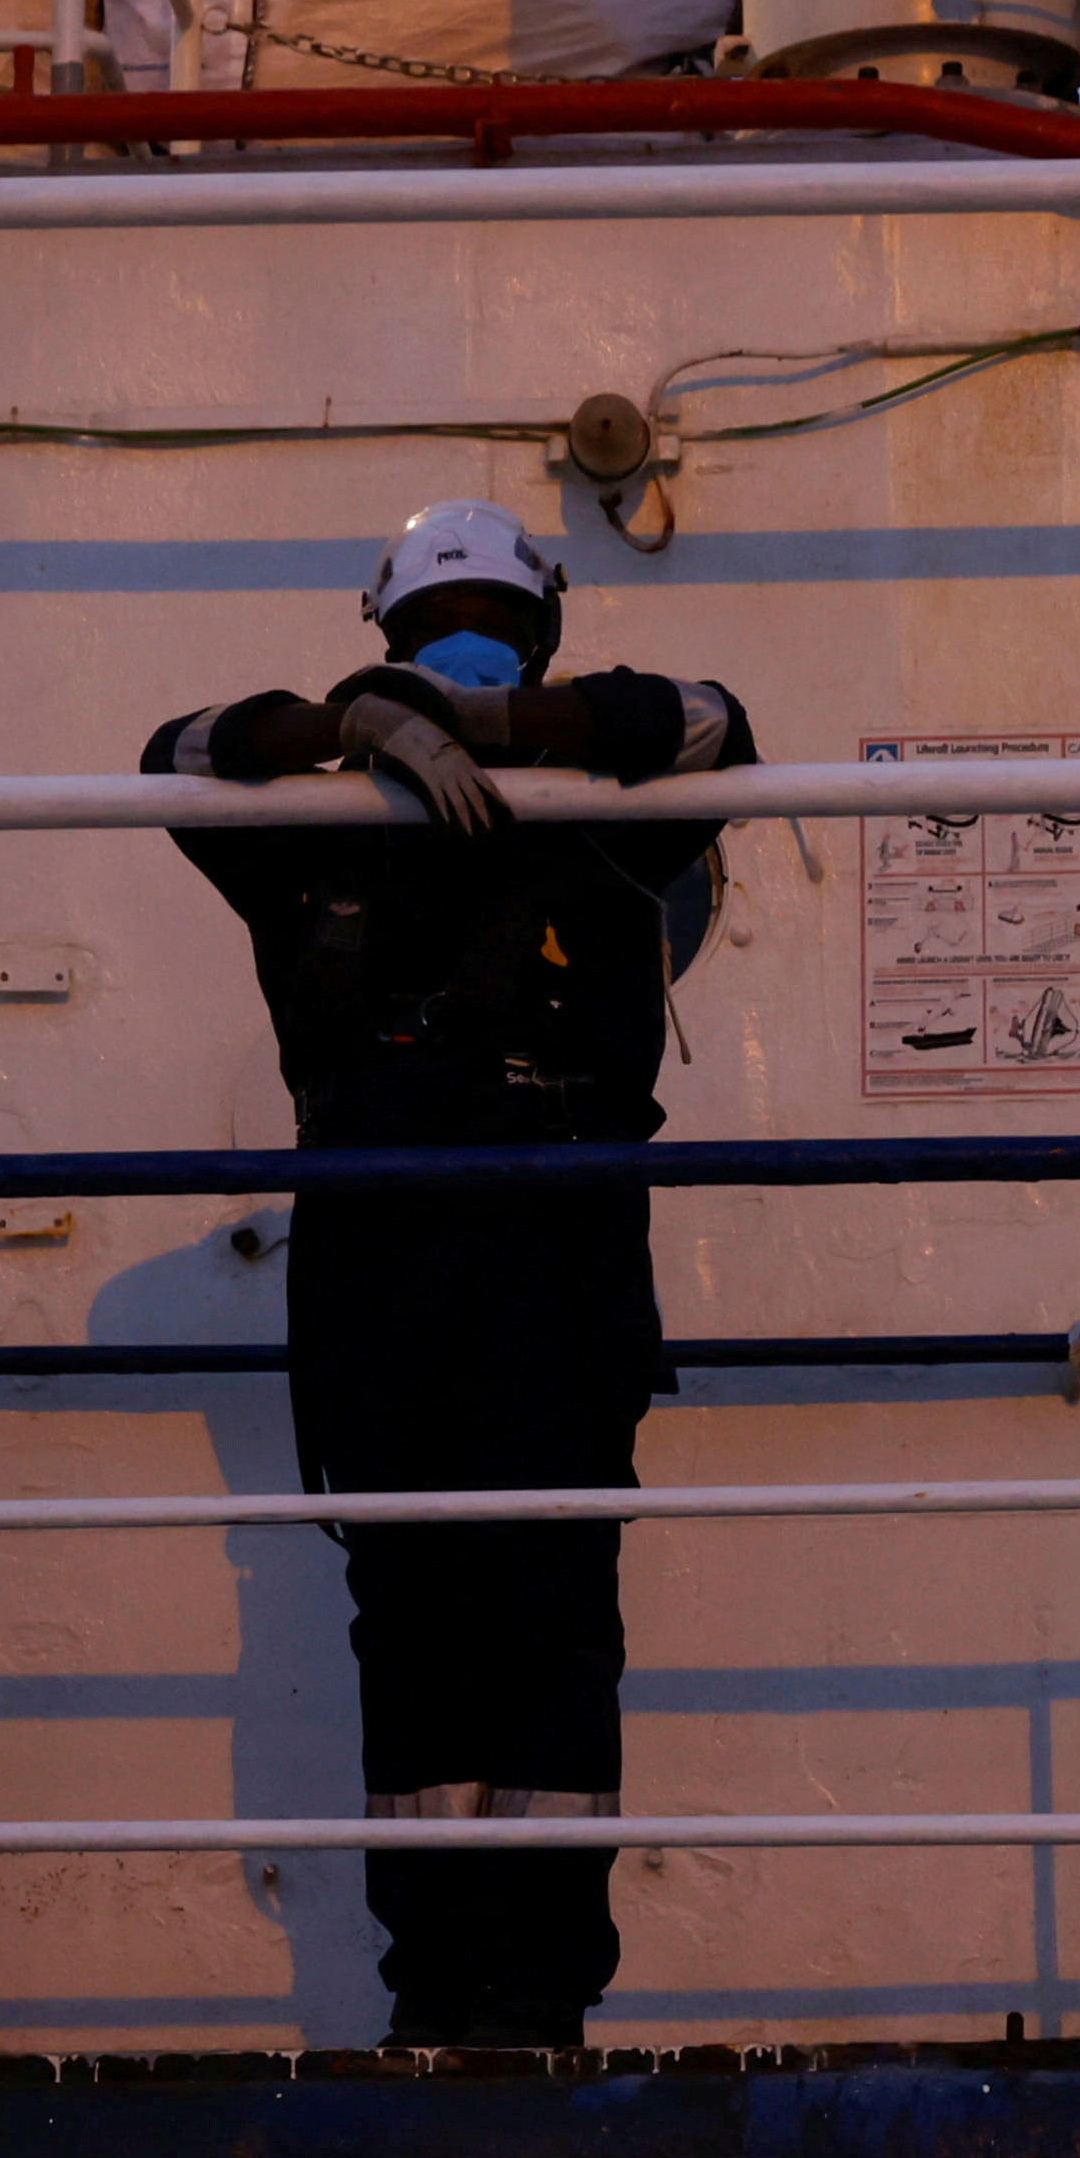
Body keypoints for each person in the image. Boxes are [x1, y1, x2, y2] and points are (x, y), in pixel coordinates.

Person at [145, 504, 755, 2051]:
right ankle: (522, 1990)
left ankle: (466, 1986)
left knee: (431, 1625)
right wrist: (368, 734)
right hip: (517, 1289)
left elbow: (713, 720)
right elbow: (177, 747)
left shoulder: (591, 808)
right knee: (532, 1621)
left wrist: (465, 726)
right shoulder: (344, 821)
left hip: (421, 1294)